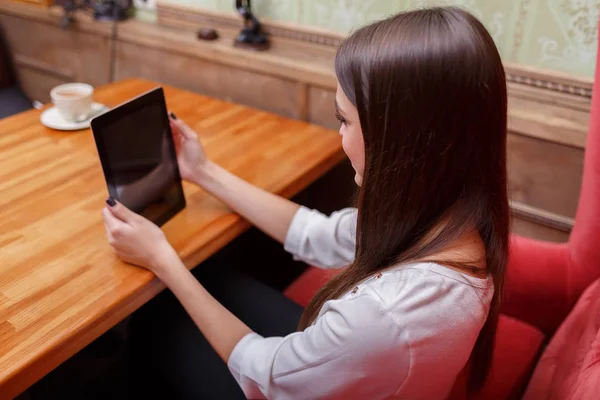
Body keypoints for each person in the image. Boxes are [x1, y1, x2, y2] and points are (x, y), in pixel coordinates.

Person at [102, 6, 508, 399]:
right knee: (210, 281)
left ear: (404, 140)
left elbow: (265, 377)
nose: (340, 136)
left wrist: (162, 259)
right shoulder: (449, 215)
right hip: (359, 364)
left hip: (293, 375)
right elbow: (320, 234)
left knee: (155, 319)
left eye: (345, 120)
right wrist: (203, 171)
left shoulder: (386, 317)